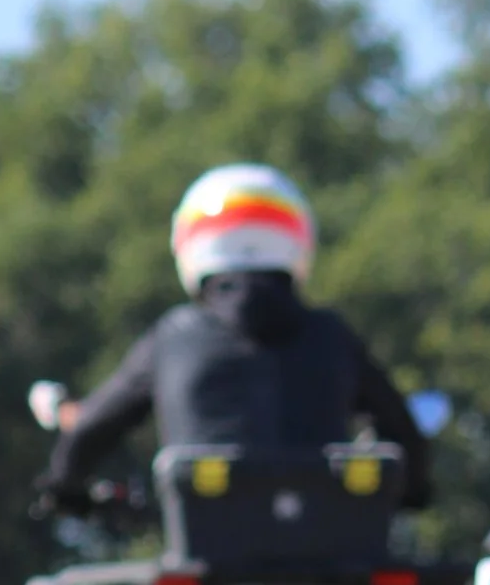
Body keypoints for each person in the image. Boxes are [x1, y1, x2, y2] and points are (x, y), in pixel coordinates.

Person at [39, 163, 435, 507]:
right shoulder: (333, 336)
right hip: (329, 568)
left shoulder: (173, 336)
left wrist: (63, 485)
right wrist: (414, 491)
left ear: (191, 244)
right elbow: (402, 433)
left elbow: (91, 427)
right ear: (298, 239)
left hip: (206, 567)